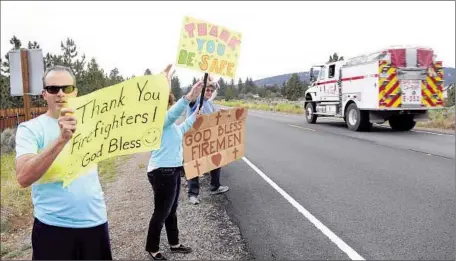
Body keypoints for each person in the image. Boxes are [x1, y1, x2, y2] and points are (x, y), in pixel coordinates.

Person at [15, 65, 112, 260]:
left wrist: (158, 90)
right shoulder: (30, 129)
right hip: (53, 227)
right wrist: (61, 139)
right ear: (44, 94)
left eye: (66, 88)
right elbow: (24, 177)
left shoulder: (94, 122)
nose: (60, 94)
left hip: (95, 222)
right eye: (53, 89)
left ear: (75, 92)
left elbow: (132, 122)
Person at [145, 71, 203, 260]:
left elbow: (183, 128)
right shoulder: (156, 119)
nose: (168, 104)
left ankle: (174, 243)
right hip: (162, 172)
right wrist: (188, 97)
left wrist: (195, 114)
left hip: (172, 171)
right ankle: (152, 248)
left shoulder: (168, 125)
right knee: (161, 212)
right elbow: (172, 116)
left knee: (171, 209)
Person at [185, 79, 229, 205]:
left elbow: (213, 119)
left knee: (216, 159)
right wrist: (201, 85)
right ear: (202, 91)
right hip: (195, 138)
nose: (209, 92)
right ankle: (193, 194)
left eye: (211, 90)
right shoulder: (197, 101)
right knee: (195, 165)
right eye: (207, 90)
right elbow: (192, 98)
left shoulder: (209, 104)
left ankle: (215, 187)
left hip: (208, 138)